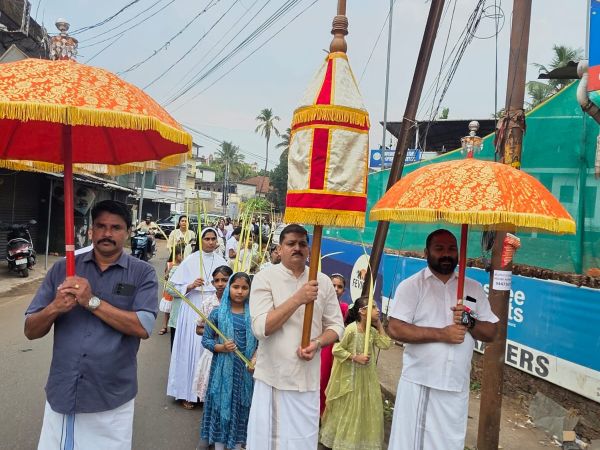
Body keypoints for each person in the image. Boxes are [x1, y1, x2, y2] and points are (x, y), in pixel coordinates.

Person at [24, 200, 158, 449]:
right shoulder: (63, 269)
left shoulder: (142, 273)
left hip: (112, 398)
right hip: (64, 392)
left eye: (116, 227)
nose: (107, 233)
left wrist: (91, 301)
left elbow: (143, 326)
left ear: (128, 232)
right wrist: (55, 307)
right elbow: (30, 330)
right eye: (101, 226)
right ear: (90, 230)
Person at [387, 229, 499, 450]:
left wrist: (470, 322)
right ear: (426, 252)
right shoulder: (412, 286)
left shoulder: (473, 288)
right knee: (412, 445)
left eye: (451, 249)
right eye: (439, 249)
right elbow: (395, 328)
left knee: (450, 444)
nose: (446, 254)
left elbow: (491, 333)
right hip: (421, 382)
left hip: (456, 387)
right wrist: (442, 334)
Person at [247, 224, 345, 449]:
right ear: (280, 249)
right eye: (291, 243)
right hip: (274, 378)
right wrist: (298, 298)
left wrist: (318, 343)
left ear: (309, 249)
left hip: (307, 380)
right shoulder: (265, 278)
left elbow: (336, 326)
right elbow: (261, 327)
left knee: (303, 442)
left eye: (302, 243)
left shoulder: (323, 281)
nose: (297, 248)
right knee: (270, 443)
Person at [319, 296, 391, 450]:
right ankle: (343, 441)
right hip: (350, 378)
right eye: (373, 307)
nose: (378, 310)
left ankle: (358, 441)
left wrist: (379, 324)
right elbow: (336, 349)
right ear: (362, 311)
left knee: (363, 409)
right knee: (349, 409)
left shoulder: (371, 331)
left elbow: (385, 344)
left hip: (367, 378)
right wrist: (355, 357)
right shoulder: (351, 329)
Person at [167, 227, 227, 409]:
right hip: (192, 309)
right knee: (191, 350)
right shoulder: (190, 260)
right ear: (201, 241)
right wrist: (191, 285)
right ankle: (187, 394)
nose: (210, 242)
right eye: (207, 238)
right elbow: (171, 289)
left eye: (213, 239)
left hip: (215, 308)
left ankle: (206, 395)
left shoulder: (222, 261)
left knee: (209, 352)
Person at [198, 272, 258, 450]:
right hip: (222, 370)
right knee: (220, 405)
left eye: (244, 288)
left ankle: (237, 444)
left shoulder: (254, 315)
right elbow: (206, 340)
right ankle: (218, 444)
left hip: (244, 372)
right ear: (229, 288)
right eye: (236, 287)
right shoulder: (217, 313)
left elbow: (260, 342)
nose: (240, 291)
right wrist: (221, 347)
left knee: (241, 407)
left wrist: (255, 358)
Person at [192, 265, 233, 402]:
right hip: (213, 353)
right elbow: (198, 329)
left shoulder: (238, 302)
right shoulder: (208, 303)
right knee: (212, 393)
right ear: (212, 283)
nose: (220, 284)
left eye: (225, 280)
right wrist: (214, 332)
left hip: (233, 353)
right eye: (217, 280)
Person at [320, 273, 349, 415]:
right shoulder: (319, 303)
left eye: (340, 287)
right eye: (333, 285)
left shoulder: (344, 308)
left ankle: (327, 414)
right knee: (321, 377)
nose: (336, 289)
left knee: (332, 380)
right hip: (321, 345)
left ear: (344, 291)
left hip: (336, 347)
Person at [158, 243, 185, 336]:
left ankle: (175, 325)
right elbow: (165, 276)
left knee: (175, 309)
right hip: (170, 290)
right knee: (167, 309)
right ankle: (164, 326)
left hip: (178, 291)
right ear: (176, 255)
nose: (183, 257)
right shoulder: (170, 264)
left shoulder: (184, 265)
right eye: (181, 254)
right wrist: (169, 273)